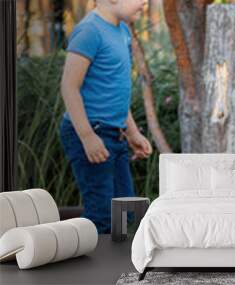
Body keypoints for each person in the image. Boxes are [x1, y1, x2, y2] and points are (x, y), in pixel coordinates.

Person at [59, 0, 152, 234]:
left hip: (114, 134)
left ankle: (120, 269)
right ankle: (92, 269)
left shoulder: (122, 30)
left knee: (125, 211)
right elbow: (69, 87)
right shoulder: (90, 31)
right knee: (103, 216)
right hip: (91, 132)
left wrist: (131, 132)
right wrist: (87, 136)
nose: (145, 2)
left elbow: (115, 91)